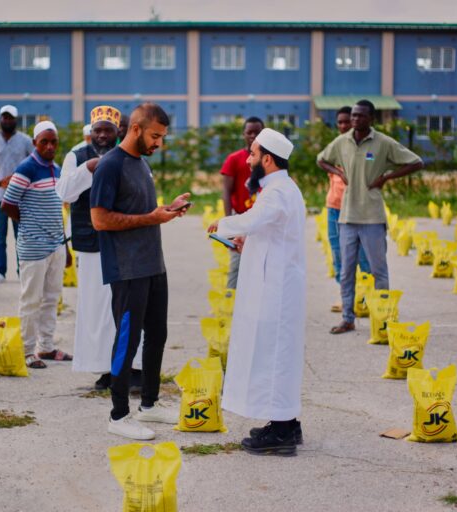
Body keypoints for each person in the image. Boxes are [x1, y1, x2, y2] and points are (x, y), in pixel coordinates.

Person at [90, 102, 190, 440]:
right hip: (127, 269)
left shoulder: (142, 164)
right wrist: (151, 218)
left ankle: (149, 403)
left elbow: (141, 212)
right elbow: (100, 220)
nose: (159, 142)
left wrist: (167, 209)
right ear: (136, 129)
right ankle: (119, 415)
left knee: (157, 334)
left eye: (162, 136)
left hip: (152, 264)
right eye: (155, 135)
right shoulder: (110, 166)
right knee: (127, 340)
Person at [207, 128, 306, 456]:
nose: (247, 160)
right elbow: (267, 229)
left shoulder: (278, 192)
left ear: (267, 159)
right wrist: (245, 239)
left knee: (274, 355)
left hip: (276, 290)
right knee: (277, 353)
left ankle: (281, 432)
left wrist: (224, 224)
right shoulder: (279, 189)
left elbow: (254, 220)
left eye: (252, 154)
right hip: (276, 285)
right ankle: (287, 421)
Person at [56, 105, 142, 390]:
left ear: (119, 131)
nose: (102, 135)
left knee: (128, 305)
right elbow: (64, 192)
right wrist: (87, 170)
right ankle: (106, 369)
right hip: (92, 244)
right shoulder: (77, 155)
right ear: (90, 132)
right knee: (96, 307)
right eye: (97, 130)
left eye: (108, 130)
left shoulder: (130, 154)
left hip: (125, 242)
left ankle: (132, 368)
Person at [324, 100, 423, 335]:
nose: (355, 120)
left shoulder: (384, 143)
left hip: (372, 217)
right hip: (347, 217)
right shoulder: (343, 141)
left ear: (372, 119)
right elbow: (322, 159)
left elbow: (416, 162)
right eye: (354, 116)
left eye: (360, 116)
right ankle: (348, 318)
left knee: (379, 271)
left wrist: (386, 177)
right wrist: (339, 172)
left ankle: (383, 319)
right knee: (347, 271)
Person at [1, 121, 73, 369]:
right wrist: (31, 222)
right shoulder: (26, 168)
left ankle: (47, 346)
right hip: (33, 246)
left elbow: (57, 209)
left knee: (52, 298)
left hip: (56, 245)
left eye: (53, 142)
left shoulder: (56, 168)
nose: (50, 146)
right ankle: (27, 350)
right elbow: (8, 204)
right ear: (35, 143)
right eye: (45, 141)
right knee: (31, 299)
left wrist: (64, 244)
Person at [317, 106, 371, 312]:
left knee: (364, 256)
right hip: (334, 208)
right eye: (339, 122)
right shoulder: (335, 147)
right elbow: (322, 161)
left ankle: (367, 298)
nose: (343, 126)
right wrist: (338, 174)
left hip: (359, 210)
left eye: (346, 121)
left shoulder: (365, 147)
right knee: (338, 255)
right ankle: (346, 297)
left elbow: (372, 167)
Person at [220, 116, 263, 289]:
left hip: (261, 220)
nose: (253, 136)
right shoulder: (234, 159)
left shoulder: (268, 160)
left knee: (261, 265)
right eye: (249, 132)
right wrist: (229, 224)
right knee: (237, 265)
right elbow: (226, 192)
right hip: (240, 219)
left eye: (257, 132)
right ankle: (230, 302)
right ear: (243, 134)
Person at [0, 105, 34, 284]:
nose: (7, 121)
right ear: (0, 119)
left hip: (20, 197)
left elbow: (34, 161)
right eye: (4, 117)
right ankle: (0, 271)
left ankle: (21, 270)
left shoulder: (25, 140)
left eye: (10, 118)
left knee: (21, 236)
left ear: (15, 120)